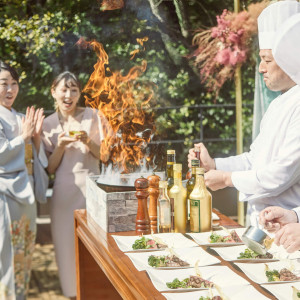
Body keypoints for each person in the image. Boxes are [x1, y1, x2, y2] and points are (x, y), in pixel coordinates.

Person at [188, 0, 300, 226]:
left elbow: (279, 175)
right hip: (262, 226)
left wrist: (228, 179)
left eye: (267, 60)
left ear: (292, 60)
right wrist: (216, 166)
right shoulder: (281, 102)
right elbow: (255, 160)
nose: (261, 68)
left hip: (289, 228)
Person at [41, 71, 109, 299]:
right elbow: (50, 168)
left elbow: (107, 156)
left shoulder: (95, 116)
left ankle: (97, 291)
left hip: (92, 190)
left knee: (96, 247)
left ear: (79, 93)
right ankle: (72, 294)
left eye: (74, 89)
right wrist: (60, 145)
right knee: (66, 249)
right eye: (63, 89)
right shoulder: (48, 124)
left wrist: (87, 141)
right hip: (63, 194)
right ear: (54, 92)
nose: (68, 95)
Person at [0, 61, 48, 299]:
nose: (10, 90)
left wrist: (36, 139)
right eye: (3, 84)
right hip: (5, 196)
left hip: (26, 193)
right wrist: (24, 137)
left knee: (23, 254)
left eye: (14, 84)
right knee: (6, 256)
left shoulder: (20, 118)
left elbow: (36, 158)